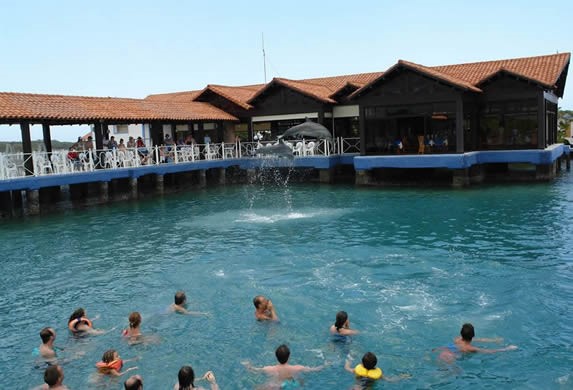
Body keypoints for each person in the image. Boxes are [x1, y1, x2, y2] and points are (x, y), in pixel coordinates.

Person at [242, 344, 325, 388]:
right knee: (301, 381)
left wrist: (248, 365)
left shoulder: (269, 369)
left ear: (276, 356)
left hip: (276, 385)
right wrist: (326, 364)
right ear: (289, 357)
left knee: (259, 387)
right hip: (291, 386)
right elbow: (314, 369)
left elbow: (255, 370)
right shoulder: (297, 368)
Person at [435, 323, 517, 362]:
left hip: (442, 351)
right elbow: (489, 351)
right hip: (450, 357)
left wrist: (494, 340)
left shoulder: (457, 339)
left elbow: (478, 340)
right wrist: (507, 348)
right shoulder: (470, 348)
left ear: (461, 334)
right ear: (473, 335)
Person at [345, 352, 409, 383]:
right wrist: (402, 377)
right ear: (375, 364)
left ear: (362, 364)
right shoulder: (378, 374)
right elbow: (389, 380)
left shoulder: (357, 370)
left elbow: (347, 368)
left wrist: (349, 360)